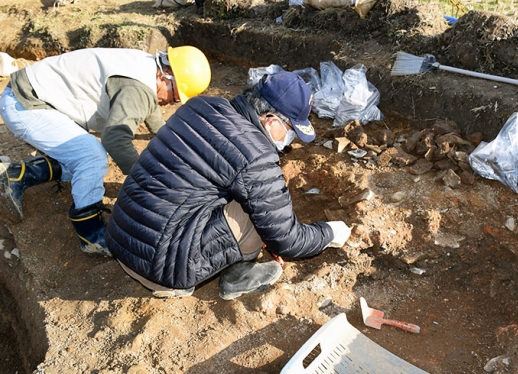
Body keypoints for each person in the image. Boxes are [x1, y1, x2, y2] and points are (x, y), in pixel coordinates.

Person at [106, 71, 352, 300]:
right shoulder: (255, 155)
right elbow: (288, 240)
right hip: (161, 268)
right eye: (289, 129)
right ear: (269, 120)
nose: (289, 140)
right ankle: (238, 277)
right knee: (257, 209)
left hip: (122, 236)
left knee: (245, 192)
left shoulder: (199, 106)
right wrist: (330, 233)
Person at [0, 46, 211, 256]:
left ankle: (19, 174)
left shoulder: (144, 69)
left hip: (36, 95)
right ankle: (90, 234)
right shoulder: (137, 89)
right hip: (26, 103)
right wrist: (145, 181)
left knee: (81, 161)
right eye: (175, 95)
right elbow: (114, 139)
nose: (172, 102)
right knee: (91, 156)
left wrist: (186, 152)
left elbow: (155, 120)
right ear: (166, 76)